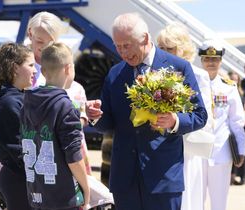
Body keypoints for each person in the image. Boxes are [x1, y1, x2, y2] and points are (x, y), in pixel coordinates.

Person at [86, 13, 208, 210]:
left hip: (163, 176)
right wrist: (95, 116)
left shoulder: (178, 67)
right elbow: (107, 122)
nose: (123, 52)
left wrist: (174, 120)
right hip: (125, 179)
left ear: (144, 38)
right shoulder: (115, 74)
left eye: (127, 45)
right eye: (118, 46)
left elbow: (200, 115)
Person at [20, 42, 90, 210]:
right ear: (68, 69)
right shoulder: (65, 106)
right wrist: (86, 190)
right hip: (63, 198)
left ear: (43, 71)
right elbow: (73, 156)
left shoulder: (27, 102)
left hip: (36, 195)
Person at [157, 23, 212, 210]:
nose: (164, 52)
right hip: (159, 145)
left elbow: (205, 115)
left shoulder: (199, 75)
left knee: (188, 197)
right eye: (161, 48)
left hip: (187, 144)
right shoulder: (154, 74)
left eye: (169, 48)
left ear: (182, 49)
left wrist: (178, 120)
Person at [0, 43, 36, 210]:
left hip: (24, 178)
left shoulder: (16, 98)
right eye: (31, 65)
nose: (35, 71)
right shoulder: (7, 104)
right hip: (19, 181)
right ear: (15, 68)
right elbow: (17, 149)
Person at [198, 39, 245, 210]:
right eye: (207, 59)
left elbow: (236, 121)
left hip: (221, 152)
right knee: (196, 202)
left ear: (221, 61)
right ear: (201, 60)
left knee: (219, 203)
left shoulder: (229, 87)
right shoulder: (192, 84)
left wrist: (240, 149)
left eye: (215, 59)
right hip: (196, 153)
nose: (211, 63)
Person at [228, 71, 245, 186]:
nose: (234, 81)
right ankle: (231, 177)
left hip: (240, 127)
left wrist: (244, 121)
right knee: (231, 152)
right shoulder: (227, 92)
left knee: (241, 153)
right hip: (230, 130)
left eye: (236, 79)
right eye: (232, 79)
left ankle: (242, 176)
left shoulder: (241, 94)